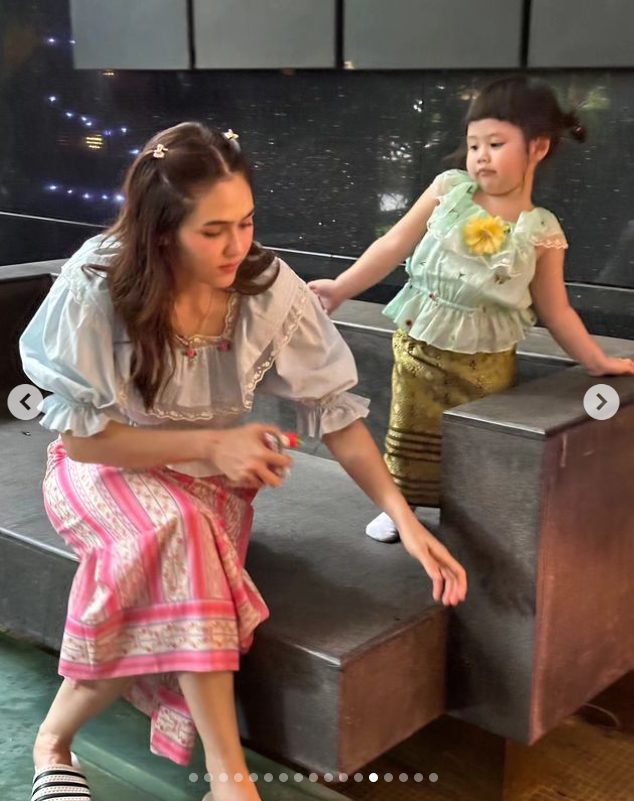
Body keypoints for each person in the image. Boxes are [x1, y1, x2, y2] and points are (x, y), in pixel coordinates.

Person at [20, 122, 467, 801]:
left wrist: (403, 518)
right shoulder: (97, 279)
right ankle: (229, 783)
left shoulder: (266, 288)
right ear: (161, 231)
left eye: (247, 221)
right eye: (213, 230)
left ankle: (56, 743)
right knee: (177, 531)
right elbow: (84, 441)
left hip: (210, 487)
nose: (238, 246)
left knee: (178, 543)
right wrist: (211, 443)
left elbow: (336, 412)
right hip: (101, 473)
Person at [309, 76, 634, 544]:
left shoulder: (541, 230)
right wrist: (342, 287)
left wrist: (596, 360)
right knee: (409, 425)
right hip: (422, 342)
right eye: (474, 144)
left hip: (487, 361)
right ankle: (402, 505)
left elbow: (557, 310)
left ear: (538, 147)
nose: (480, 155)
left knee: (474, 438)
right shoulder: (449, 190)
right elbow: (393, 244)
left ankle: (471, 512)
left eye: (496, 144)